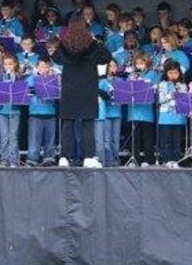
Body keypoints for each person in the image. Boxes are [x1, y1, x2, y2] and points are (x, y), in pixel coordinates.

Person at [49, 17, 111, 168]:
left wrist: (60, 43)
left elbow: (56, 58)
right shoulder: (92, 45)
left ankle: (64, 157)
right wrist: (98, 42)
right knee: (87, 123)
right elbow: (106, 58)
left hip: (69, 89)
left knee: (67, 123)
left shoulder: (64, 44)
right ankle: (88, 157)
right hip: (87, 89)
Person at [126, 53, 160, 166]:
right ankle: (134, 159)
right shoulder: (132, 75)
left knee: (147, 137)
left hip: (147, 111)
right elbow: (126, 90)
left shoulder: (153, 74)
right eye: (137, 63)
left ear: (147, 62)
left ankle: (148, 159)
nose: (139, 65)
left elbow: (156, 89)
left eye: (142, 63)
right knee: (134, 138)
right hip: (133, 111)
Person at [26, 57, 57, 166]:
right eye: (40, 66)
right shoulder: (32, 78)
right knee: (34, 139)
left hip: (50, 112)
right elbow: (27, 89)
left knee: (50, 138)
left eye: (45, 66)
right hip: (35, 112)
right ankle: (32, 159)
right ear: (37, 68)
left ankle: (49, 158)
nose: (42, 69)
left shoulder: (54, 79)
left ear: (49, 68)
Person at [157, 60, 187, 168]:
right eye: (170, 73)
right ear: (166, 73)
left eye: (175, 73)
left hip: (178, 117)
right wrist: (172, 94)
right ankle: (166, 159)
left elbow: (185, 101)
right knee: (166, 140)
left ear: (179, 73)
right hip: (165, 117)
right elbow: (161, 100)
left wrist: (180, 92)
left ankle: (176, 159)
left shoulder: (183, 85)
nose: (173, 75)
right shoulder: (162, 84)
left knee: (176, 139)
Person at [0, 54, 23, 167]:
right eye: (6, 64)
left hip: (14, 111)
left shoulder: (19, 77)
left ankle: (14, 160)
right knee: (4, 136)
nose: (8, 66)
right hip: (1, 111)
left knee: (13, 136)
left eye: (10, 64)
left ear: (15, 64)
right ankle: (4, 159)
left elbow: (22, 92)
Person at [97, 59, 122, 166]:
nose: (113, 68)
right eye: (110, 66)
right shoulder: (102, 82)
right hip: (106, 113)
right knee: (106, 139)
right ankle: (108, 159)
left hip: (117, 113)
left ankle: (115, 159)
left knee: (115, 139)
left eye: (114, 66)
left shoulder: (120, 81)